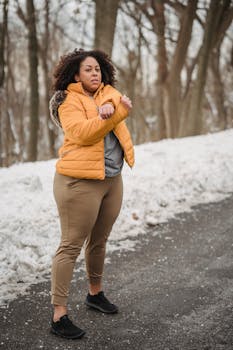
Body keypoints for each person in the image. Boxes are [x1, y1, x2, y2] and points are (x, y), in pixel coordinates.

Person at [49, 48, 134, 339]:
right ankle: (59, 315)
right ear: (75, 74)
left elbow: (115, 98)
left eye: (97, 69)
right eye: (88, 69)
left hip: (112, 179)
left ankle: (94, 294)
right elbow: (84, 133)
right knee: (71, 245)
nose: (94, 73)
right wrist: (115, 113)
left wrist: (112, 106)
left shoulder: (106, 93)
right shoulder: (68, 102)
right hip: (78, 183)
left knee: (99, 240)